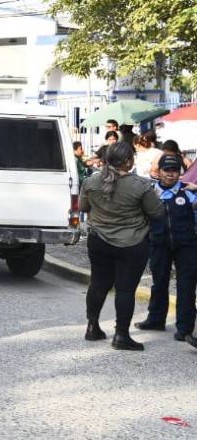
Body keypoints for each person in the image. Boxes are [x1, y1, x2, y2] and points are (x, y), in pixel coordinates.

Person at [79, 141, 165, 350]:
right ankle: (121, 335)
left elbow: (83, 207)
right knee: (125, 290)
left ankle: (92, 327)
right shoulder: (141, 186)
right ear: (128, 161)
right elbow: (158, 213)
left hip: (98, 241)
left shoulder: (90, 182)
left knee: (98, 284)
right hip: (132, 243)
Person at [135, 154, 196, 342]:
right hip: (159, 243)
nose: (171, 175)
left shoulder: (188, 191)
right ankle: (156, 319)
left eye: (175, 171)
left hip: (187, 245)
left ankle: (184, 328)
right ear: (158, 172)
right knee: (159, 281)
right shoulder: (151, 193)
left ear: (180, 173)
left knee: (186, 286)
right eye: (167, 171)